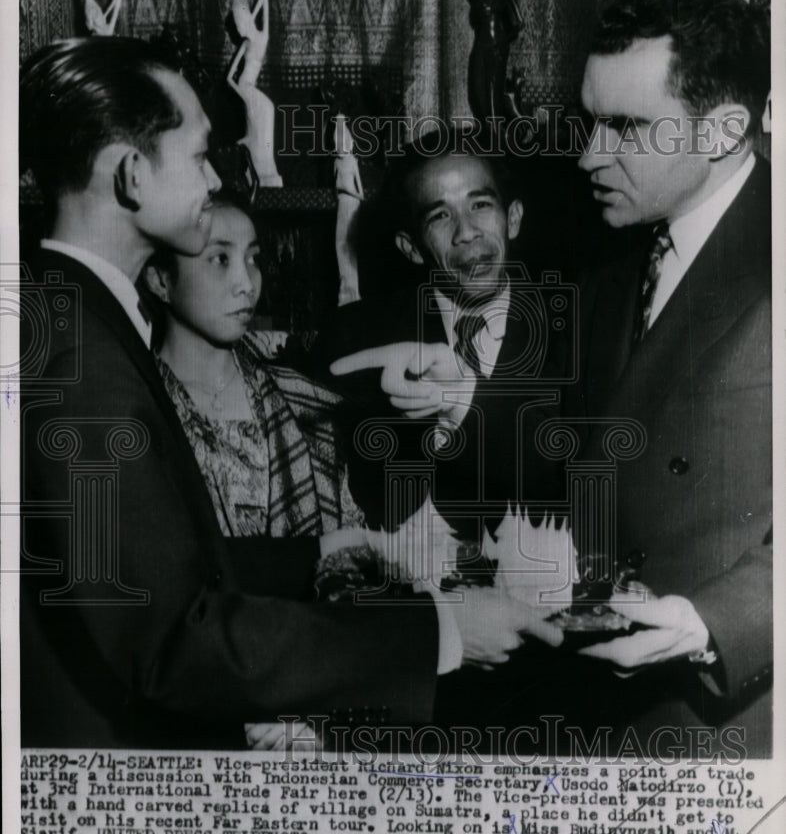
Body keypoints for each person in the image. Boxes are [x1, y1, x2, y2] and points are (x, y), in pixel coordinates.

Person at [19, 36, 560, 749]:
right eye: (200, 155)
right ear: (130, 177)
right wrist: (439, 630)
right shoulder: (81, 357)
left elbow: (137, 570)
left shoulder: (67, 316)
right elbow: (174, 643)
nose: (215, 179)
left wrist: (316, 552)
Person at [565, 0, 772, 755]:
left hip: (733, 729)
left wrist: (708, 622)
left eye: (625, 128)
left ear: (721, 131)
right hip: (608, 722)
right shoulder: (613, 263)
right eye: (590, 122)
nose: (589, 156)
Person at [326, 135, 570, 537]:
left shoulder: (577, 328)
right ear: (411, 248)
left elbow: (579, 476)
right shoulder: (357, 337)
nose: (466, 232)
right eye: (439, 215)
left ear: (513, 218)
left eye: (480, 205)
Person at [142, 191, 362, 541]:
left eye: (253, 258)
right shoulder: (136, 408)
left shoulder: (305, 403)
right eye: (220, 259)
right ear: (160, 280)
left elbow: (350, 547)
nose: (247, 283)